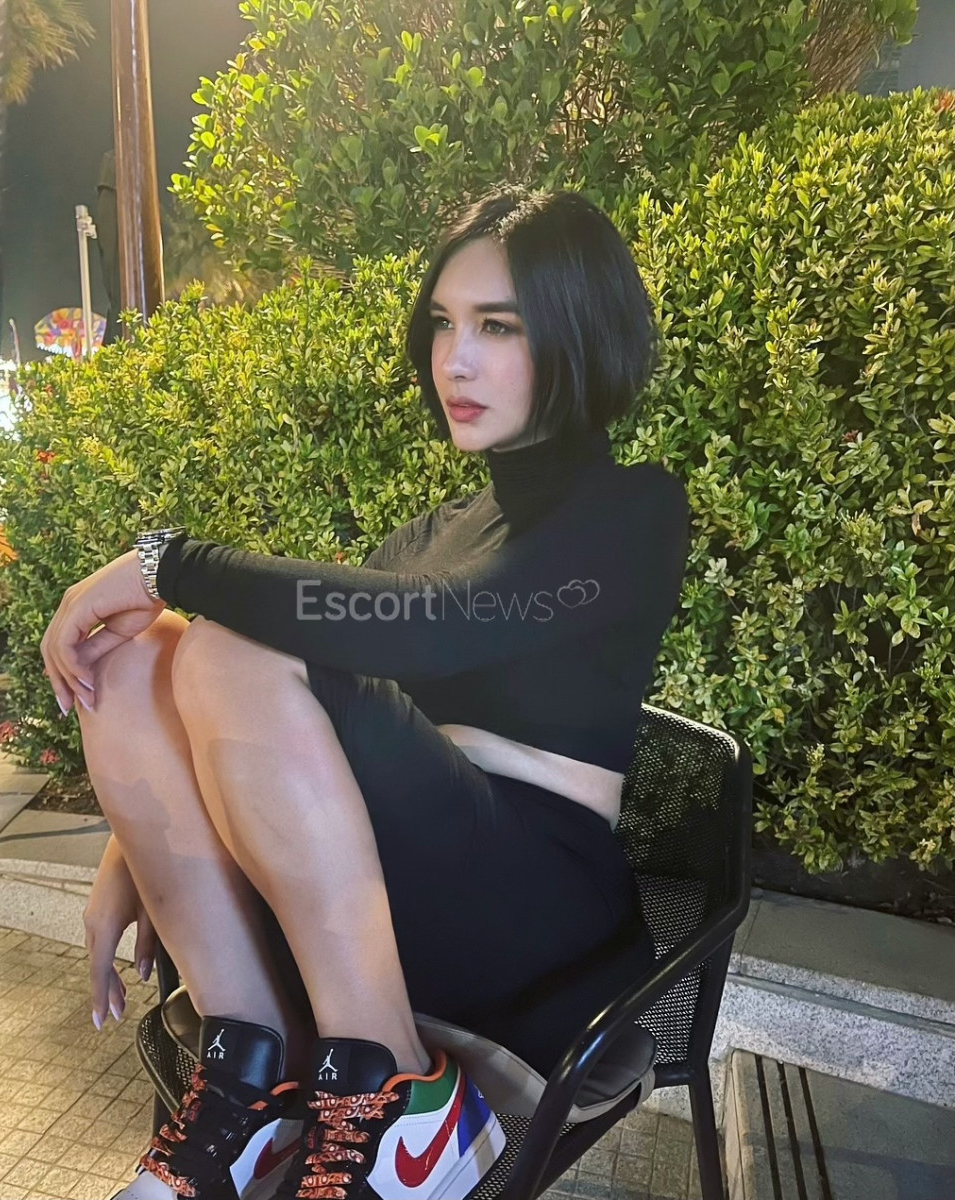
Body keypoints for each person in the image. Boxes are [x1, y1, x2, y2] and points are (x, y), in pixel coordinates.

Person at [40, 184, 691, 1200]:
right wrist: (137, 847)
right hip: (382, 895)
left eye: (498, 326)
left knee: (226, 643)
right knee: (134, 657)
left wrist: (165, 563)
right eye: (443, 323)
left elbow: (433, 628)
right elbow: (291, 712)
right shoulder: (433, 532)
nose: (454, 359)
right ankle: (251, 1080)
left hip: (536, 917)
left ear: (578, 331)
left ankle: (396, 1098)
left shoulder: (633, 510)